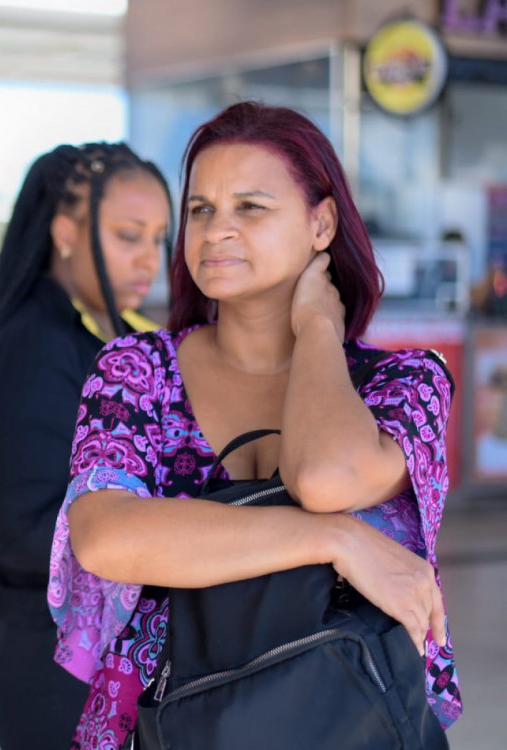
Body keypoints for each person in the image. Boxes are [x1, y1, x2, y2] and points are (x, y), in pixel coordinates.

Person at [49, 102, 462, 748]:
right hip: (167, 727)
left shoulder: (404, 383)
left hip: (348, 722)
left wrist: (317, 327)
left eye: (250, 207)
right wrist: (337, 540)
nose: (217, 230)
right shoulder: (138, 369)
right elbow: (104, 535)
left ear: (321, 223)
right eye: (201, 209)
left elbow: (325, 478)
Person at [0, 143, 171, 749]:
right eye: (128, 235)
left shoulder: (99, 334)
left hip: (74, 646)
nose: (149, 259)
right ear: (66, 233)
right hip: (41, 658)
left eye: (158, 238)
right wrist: (177, 532)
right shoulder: (35, 346)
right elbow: (24, 532)